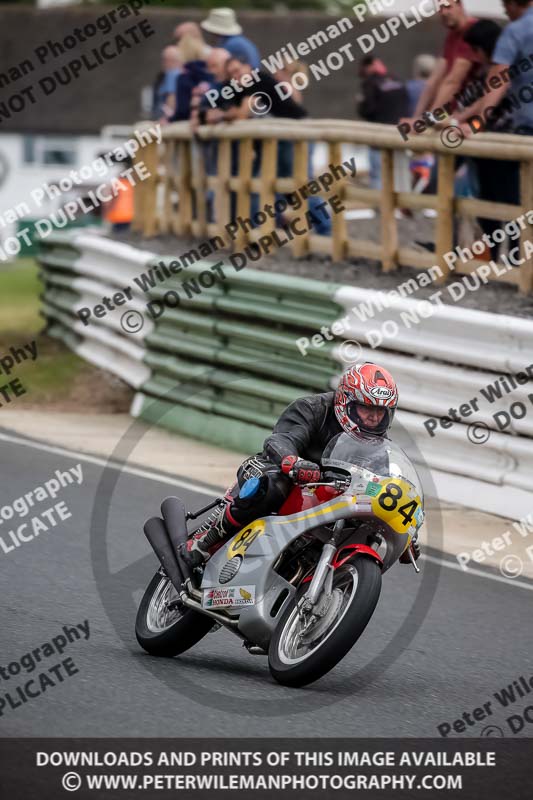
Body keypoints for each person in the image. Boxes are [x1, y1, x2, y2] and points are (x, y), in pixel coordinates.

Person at [187, 363, 421, 566]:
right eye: (367, 408)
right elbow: (281, 439)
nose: (373, 417)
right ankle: (206, 539)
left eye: (380, 412)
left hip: (328, 497)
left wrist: (405, 532)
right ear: (345, 401)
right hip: (279, 471)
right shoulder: (313, 408)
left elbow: (385, 485)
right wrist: (293, 462)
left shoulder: (379, 446)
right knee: (271, 484)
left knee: (366, 521)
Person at [455, 0, 533, 256]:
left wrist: (475, 124)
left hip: (525, 135)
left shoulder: (515, 32)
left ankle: (516, 264)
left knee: (513, 201)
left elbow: (498, 83)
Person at [401, 0, 480, 129]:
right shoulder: (452, 36)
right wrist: (416, 117)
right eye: (439, 8)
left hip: (473, 118)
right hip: (454, 114)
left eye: (447, 7)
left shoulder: (473, 31)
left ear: (460, 5)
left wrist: (428, 118)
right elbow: (434, 79)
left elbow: (453, 80)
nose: (443, 13)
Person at [357, 57, 409, 190]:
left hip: (378, 136)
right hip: (401, 135)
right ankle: (400, 208)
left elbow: (367, 109)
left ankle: (381, 209)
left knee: (378, 175)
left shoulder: (370, 83)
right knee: (400, 173)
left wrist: (359, 103)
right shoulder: (397, 79)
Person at [170, 34, 211, 122]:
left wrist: (169, 120)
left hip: (191, 126)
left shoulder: (183, 78)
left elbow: (182, 111)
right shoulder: (211, 73)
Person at [152, 46, 182, 122]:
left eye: (166, 60)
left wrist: (166, 119)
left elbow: (171, 97)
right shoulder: (165, 76)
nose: (165, 63)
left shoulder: (172, 74)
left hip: (165, 120)